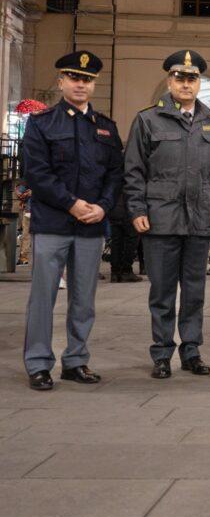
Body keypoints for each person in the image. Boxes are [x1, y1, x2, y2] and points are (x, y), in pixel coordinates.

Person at [124, 50, 210, 378]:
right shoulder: (147, 119)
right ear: (169, 81)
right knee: (162, 290)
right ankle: (161, 353)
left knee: (195, 290)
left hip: (200, 219)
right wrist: (137, 208)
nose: (186, 84)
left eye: (192, 78)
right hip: (161, 218)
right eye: (179, 78)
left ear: (200, 82)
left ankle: (191, 350)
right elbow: (133, 170)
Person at [21, 51, 123, 391]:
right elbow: (36, 172)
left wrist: (104, 206)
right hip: (53, 223)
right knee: (43, 298)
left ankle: (76, 360)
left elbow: (115, 174)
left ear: (94, 84)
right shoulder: (42, 123)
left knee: (83, 299)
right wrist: (72, 204)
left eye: (87, 79)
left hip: (91, 225)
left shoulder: (106, 128)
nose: (81, 84)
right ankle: (38, 363)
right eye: (74, 77)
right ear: (62, 81)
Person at [108, 193, 142, 283]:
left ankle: (115, 272)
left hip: (114, 208)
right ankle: (126, 271)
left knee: (116, 241)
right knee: (131, 240)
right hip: (128, 209)